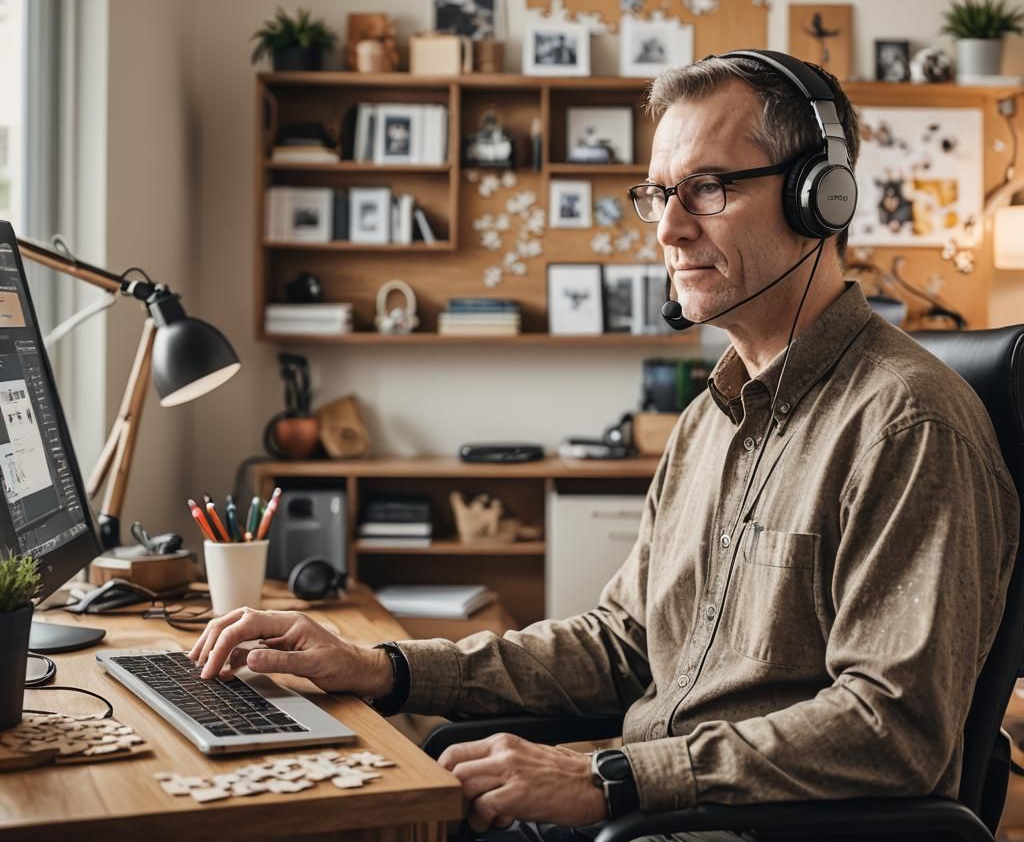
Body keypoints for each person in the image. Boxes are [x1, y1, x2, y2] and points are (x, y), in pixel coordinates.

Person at [191, 53, 1018, 842]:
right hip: (640, 813)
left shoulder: (908, 425)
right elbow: (620, 644)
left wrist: (610, 779)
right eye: (657, 194)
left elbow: (892, 731)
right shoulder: (711, 420)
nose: (668, 228)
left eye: (707, 188)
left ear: (819, 198)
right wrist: (381, 667)